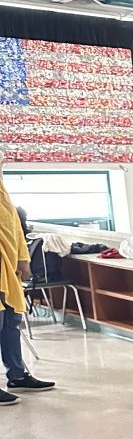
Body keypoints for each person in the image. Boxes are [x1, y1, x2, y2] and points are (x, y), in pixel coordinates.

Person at [0, 155, 54, 404]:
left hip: (9, 271)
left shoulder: (3, 190)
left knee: (11, 322)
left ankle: (18, 374)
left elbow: (14, 228)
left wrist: (23, 260)